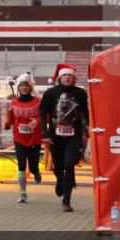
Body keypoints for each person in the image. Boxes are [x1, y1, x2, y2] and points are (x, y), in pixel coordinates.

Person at [39, 64, 89, 212]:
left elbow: (85, 112)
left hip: (74, 135)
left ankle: (66, 200)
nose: (67, 77)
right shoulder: (50, 93)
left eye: (70, 75)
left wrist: (88, 129)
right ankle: (60, 179)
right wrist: (45, 134)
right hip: (56, 136)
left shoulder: (80, 93)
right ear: (60, 77)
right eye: (64, 75)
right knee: (59, 166)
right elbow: (42, 113)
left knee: (69, 164)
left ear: (74, 78)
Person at [3, 72, 42, 203]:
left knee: (33, 167)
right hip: (19, 139)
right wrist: (7, 124)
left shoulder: (38, 102)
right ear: (18, 88)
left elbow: (45, 116)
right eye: (21, 86)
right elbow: (10, 118)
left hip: (34, 139)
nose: (24, 88)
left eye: (26, 85)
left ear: (30, 87)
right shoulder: (13, 102)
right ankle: (23, 192)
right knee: (21, 165)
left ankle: (36, 173)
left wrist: (37, 121)